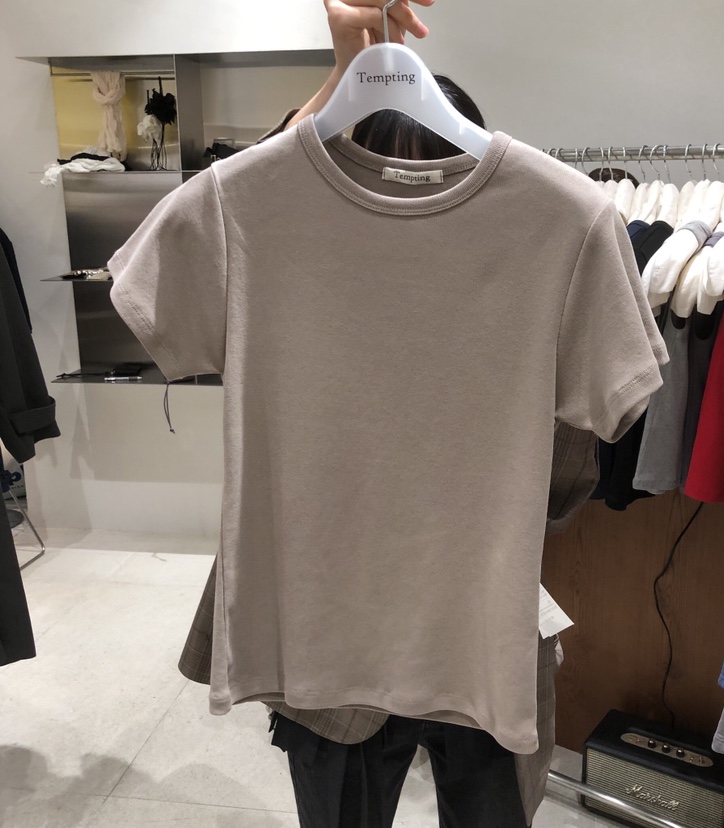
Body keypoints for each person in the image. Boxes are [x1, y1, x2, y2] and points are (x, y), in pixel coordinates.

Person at [178, 2, 597, 825]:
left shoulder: (556, 240)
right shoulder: (279, 248)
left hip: (449, 633)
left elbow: (563, 479)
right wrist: (340, 76)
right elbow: (215, 220)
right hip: (370, 632)